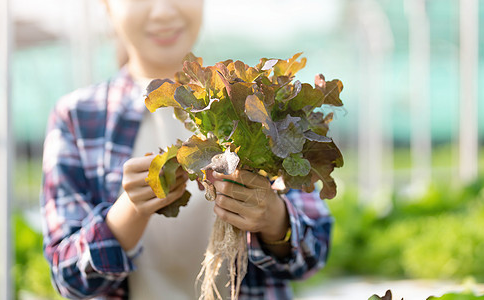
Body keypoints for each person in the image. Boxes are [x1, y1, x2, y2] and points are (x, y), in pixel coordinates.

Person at [39, 0, 333, 299]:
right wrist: (128, 211)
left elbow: (315, 253)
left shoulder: (258, 102)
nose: (163, 11)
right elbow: (69, 279)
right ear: (108, 7)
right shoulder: (77, 117)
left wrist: (272, 217)